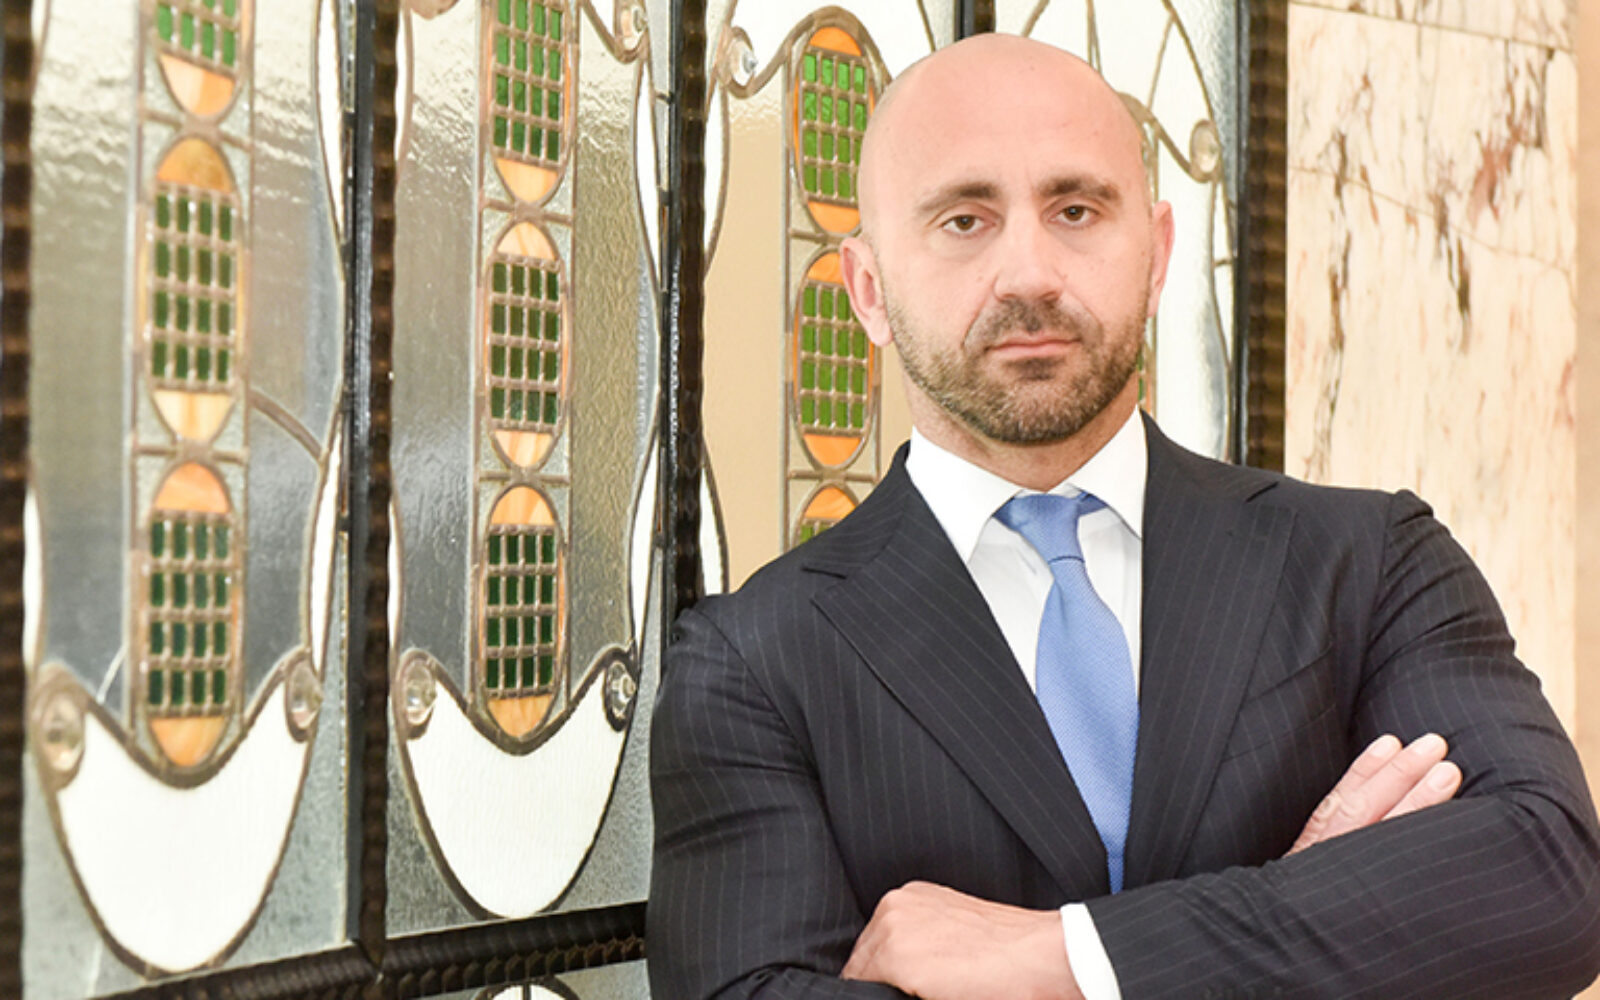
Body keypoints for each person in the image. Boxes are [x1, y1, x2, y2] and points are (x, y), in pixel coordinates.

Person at [648, 32, 1600, 1000]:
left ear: (1156, 255)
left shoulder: (1369, 560)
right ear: (868, 290)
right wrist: (1302, 919)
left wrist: (1065, 955)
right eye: (964, 220)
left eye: (1075, 210)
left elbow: (1548, 880)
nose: (1028, 273)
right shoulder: (753, 662)